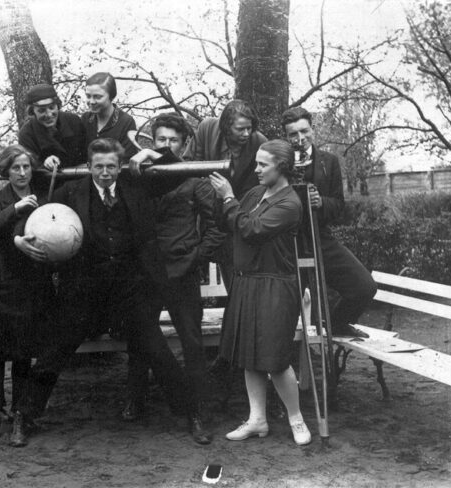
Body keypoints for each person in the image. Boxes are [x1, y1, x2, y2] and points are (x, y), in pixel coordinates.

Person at [15, 138, 208, 445]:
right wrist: (18, 238)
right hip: (85, 291)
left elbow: (178, 171)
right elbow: (35, 215)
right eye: (99, 166)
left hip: (130, 292)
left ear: (120, 166)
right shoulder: (70, 193)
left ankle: (191, 415)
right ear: (89, 166)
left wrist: (152, 153)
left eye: (111, 166)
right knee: (56, 350)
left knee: (157, 350)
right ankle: (24, 418)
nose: (105, 173)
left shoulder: (138, 187)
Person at [124, 113, 226, 430]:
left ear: (184, 144)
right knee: (141, 337)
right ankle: (136, 397)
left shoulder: (195, 178)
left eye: (173, 141)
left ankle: (198, 413)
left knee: (192, 342)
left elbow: (216, 228)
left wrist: (196, 257)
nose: (166, 145)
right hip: (148, 271)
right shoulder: (141, 176)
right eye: (161, 140)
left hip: (182, 271)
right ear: (152, 143)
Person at [209, 139, 311, 446]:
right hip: (247, 281)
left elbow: (251, 230)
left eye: (262, 164)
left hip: (276, 285)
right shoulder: (255, 193)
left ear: (281, 167)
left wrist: (228, 199)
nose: (256, 169)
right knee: (249, 356)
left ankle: (296, 418)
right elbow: (231, 222)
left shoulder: (289, 203)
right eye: (256, 163)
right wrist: (222, 201)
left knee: (275, 359)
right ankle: (257, 420)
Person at [0, 145, 54, 447]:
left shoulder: (43, 198)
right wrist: (16, 214)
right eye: (15, 168)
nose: (21, 173)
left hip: (31, 287)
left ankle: (20, 418)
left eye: (26, 167)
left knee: (23, 356)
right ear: (6, 171)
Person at [281, 107, 377, 338]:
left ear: (312, 129)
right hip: (287, 243)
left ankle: (337, 325)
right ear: (286, 137)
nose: (300, 139)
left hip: (320, 237)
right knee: (285, 305)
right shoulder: (279, 162)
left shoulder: (329, 161)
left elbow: (339, 206)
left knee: (364, 286)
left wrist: (320, 202)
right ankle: (284, 359)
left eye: (304, 131)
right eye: (293, 134)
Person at [182, 99, 268, 288]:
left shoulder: (260, 142)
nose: (246, 133)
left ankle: (238, 309)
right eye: (240, 129)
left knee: (237, 275)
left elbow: (263, 184)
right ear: (226, 127)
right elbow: (187, 165)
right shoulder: (207, 129)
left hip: (238, 217)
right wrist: (206, 187)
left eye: (249, 128)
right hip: (204, 216)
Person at [18, 84, 87, 171]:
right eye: (42, 110)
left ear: (57, 106)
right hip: (48, 181)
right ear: (32, 111)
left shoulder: (73, 121)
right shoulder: (27, 134)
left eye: (51, 108)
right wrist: (45, 164)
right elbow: (30, 166)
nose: (49, 114)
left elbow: (87, 154)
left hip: (79, 179)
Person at [82, 72, 138, 160]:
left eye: (97, 97)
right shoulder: (85, 119)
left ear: (111, 96)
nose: (92, 101)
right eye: (88, 96)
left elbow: (127, 159)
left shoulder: (126, 122)